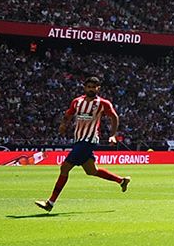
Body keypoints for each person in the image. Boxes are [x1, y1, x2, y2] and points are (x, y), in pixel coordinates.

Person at [36, 77, 130, 212]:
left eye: (94, 87)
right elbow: (68, 114)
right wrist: (64, 124)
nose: (91, 89)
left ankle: (50, 203)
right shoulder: (77, 102)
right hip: (78, 140)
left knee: (64, 168)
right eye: (89, 86)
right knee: (91, 171)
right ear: (84, 87)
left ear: (98, 88)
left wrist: (113, 135)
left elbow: (114, 117)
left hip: (89, 140)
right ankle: (122, 180)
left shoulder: (102, 103)